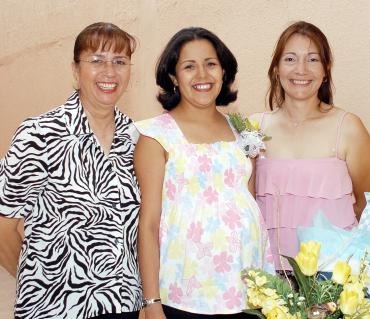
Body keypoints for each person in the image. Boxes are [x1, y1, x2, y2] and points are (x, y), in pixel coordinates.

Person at [0, 22, 141, 319]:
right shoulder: (38, 134)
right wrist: (36, 277)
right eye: (96, 60)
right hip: (54, 309)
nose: (109, 72)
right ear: (76, 70)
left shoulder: (137, 139)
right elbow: (4, 228)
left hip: (124, 306)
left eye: (119, 61)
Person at [134, 27, 273, 319]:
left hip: (248, 290)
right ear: (173, 77)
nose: (202, 75)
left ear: (223, 71)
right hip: (186, 297)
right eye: (189, 66)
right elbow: (148, 224)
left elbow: (248, 204)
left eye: (210, 64)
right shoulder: (156, 135)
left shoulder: (243, 130)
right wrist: (151, 303)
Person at [250, 21, 370, 272]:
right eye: (290, 59)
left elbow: (365, 204)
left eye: (313, 59)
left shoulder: (348, 127)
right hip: (267, 280)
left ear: (326, 69)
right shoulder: (254, 129)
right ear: (276, 69)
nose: (301, 70)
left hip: (332, 282)